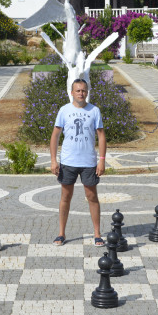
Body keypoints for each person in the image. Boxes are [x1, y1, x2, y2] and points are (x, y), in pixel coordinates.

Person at [50, 79, 106, 246]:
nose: (81, 93)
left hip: (89, 162)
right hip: (68, 161)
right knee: (65, 196)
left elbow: (101, 136)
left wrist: (102, 160)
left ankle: (97, 234)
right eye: (78, 90)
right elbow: (55, 136)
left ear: (87, 92)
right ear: (72, 92)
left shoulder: (94, 110)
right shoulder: (64, 110)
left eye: (83, 90)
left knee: (92, 196)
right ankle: (61, 233)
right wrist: (53, 160)